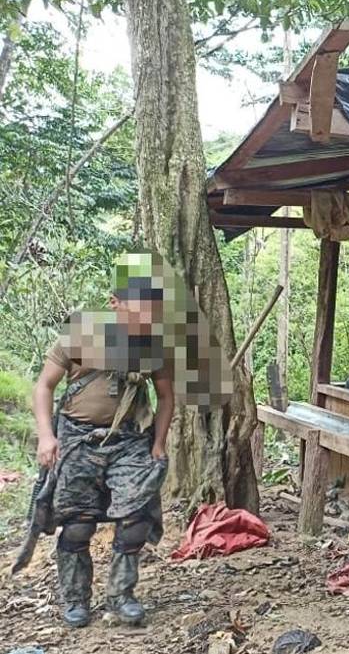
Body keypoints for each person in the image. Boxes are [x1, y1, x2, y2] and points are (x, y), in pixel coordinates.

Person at [31, 252, 177, 628]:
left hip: (128, 441)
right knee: (78, 524)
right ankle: (76, 599)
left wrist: (158, 443)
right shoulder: (81, 334)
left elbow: (166, 395)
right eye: (139, 308)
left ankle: (121, 595)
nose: (146, 316)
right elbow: (44, 386)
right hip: (77, 439)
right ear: (115, 303)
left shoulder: (152, 344)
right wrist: (47, 436)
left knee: (135, 519)